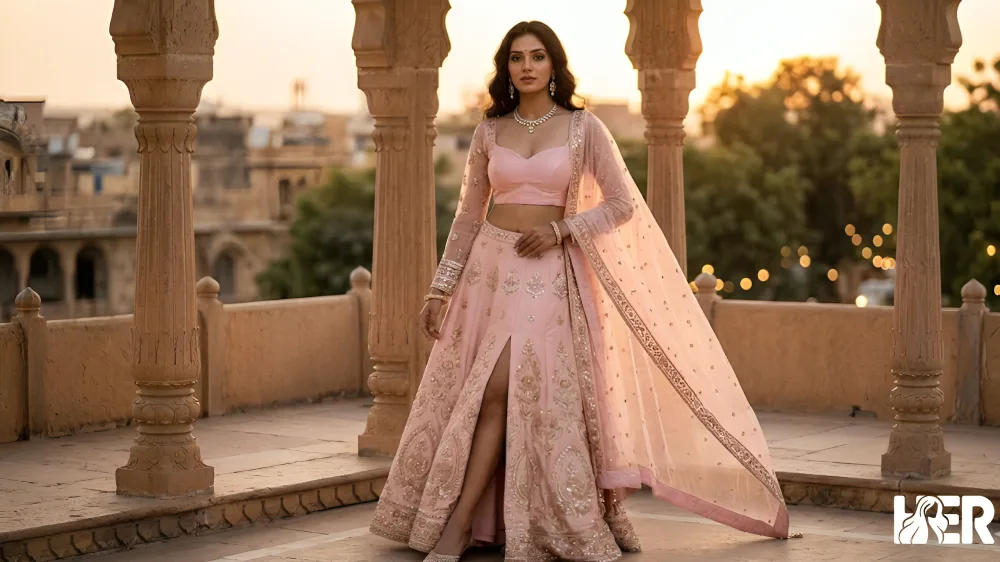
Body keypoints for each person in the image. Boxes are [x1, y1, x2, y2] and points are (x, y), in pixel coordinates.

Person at [369, 20, 792, 562]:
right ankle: (472, 523)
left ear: (554, 65)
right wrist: (440, 289)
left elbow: (621, 205)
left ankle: (456, 529)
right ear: (506, 68)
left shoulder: (582, 128)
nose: (526, 66)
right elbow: (467, 216)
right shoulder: (489, 131)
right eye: (516, 57)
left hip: (547, 271)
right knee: (480, 396)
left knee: (504, 389)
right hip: (488, 273)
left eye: (537, 56)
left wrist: (560, 231)